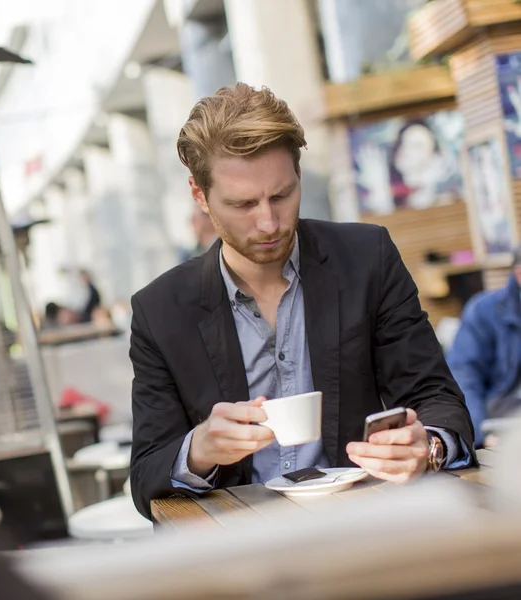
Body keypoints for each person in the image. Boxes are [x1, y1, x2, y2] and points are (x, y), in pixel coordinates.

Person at [130, 83, 476, 518]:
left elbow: (436, 396)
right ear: (199, 195)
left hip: (368, 524)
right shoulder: (160, 311)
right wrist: (198, 450)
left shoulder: (367, 258)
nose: (269, 221)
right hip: (243, 549)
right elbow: (145, 477)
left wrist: (429, 446)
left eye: (282, 195)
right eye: (242, 203)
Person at [447, 246, 521, 447]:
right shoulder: (484, 311)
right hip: (505, 413)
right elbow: (464, 376)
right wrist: (479, 434)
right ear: (519, 274)